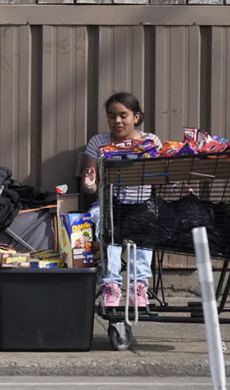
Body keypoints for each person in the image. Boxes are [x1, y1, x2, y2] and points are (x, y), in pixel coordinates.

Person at [82, 92, 162, 308]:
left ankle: (140, 286)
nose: (117, 121)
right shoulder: (98, 142)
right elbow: (91, 186)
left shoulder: (151, 141)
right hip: (109, 204)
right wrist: (89, 183)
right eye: (112, 116)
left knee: (147, 223)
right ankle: (111, 286)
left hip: (141, 205)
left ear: (136, 116)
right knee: (109, 228)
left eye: (123, 115)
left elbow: (161, 178)